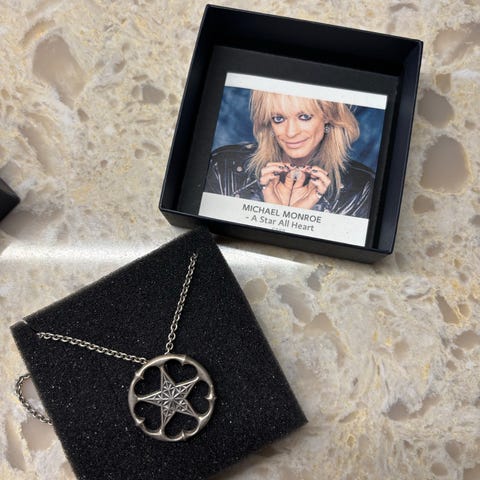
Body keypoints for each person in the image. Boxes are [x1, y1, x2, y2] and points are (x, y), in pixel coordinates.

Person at [204, 91, 375, 218]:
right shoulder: (223, 166)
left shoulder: (362, 188)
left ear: (328, 118)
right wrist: (274, 212)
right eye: (279, 119)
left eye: (304, 117)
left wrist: (297, 214)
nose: (291, 132)